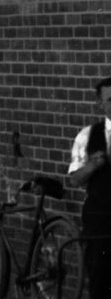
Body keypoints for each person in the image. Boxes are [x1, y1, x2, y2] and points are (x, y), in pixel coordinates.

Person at [66, 74, 111, 296]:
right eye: (110, 100)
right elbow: (74, 179)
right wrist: (93, 165)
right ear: (100, 103)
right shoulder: (87, 136)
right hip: (100, 223)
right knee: (100, 282)